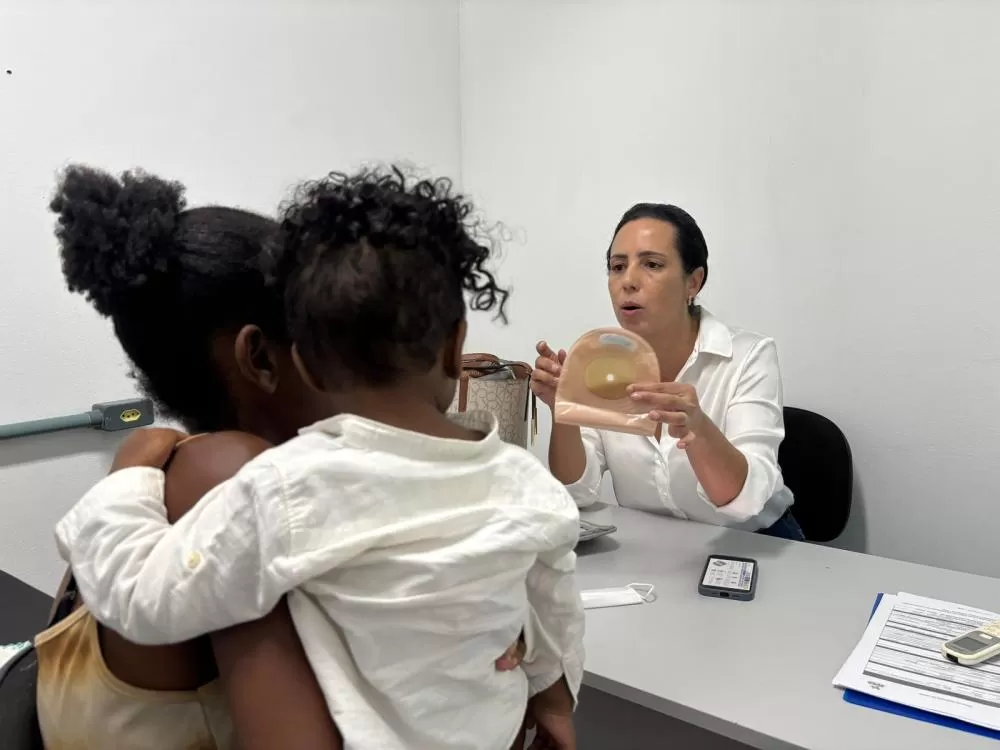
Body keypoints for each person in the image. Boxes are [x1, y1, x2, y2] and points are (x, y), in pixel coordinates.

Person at [55, 167, 585, 750]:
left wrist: (122, 483)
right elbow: (554, 593)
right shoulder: (246, 478)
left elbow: (140, 593)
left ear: (307, 362)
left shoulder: (287, 489)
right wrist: (547, 686)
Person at [532, 203, 802, 540]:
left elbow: (747, 502)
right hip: (657, 547)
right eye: (617, 267)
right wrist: (564, 413)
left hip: (756, 541)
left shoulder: (748, 356)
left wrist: (698, 428)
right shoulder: (599, 363)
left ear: (693, 282)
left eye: (652, 265)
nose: (628, 281)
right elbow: (577, 493)